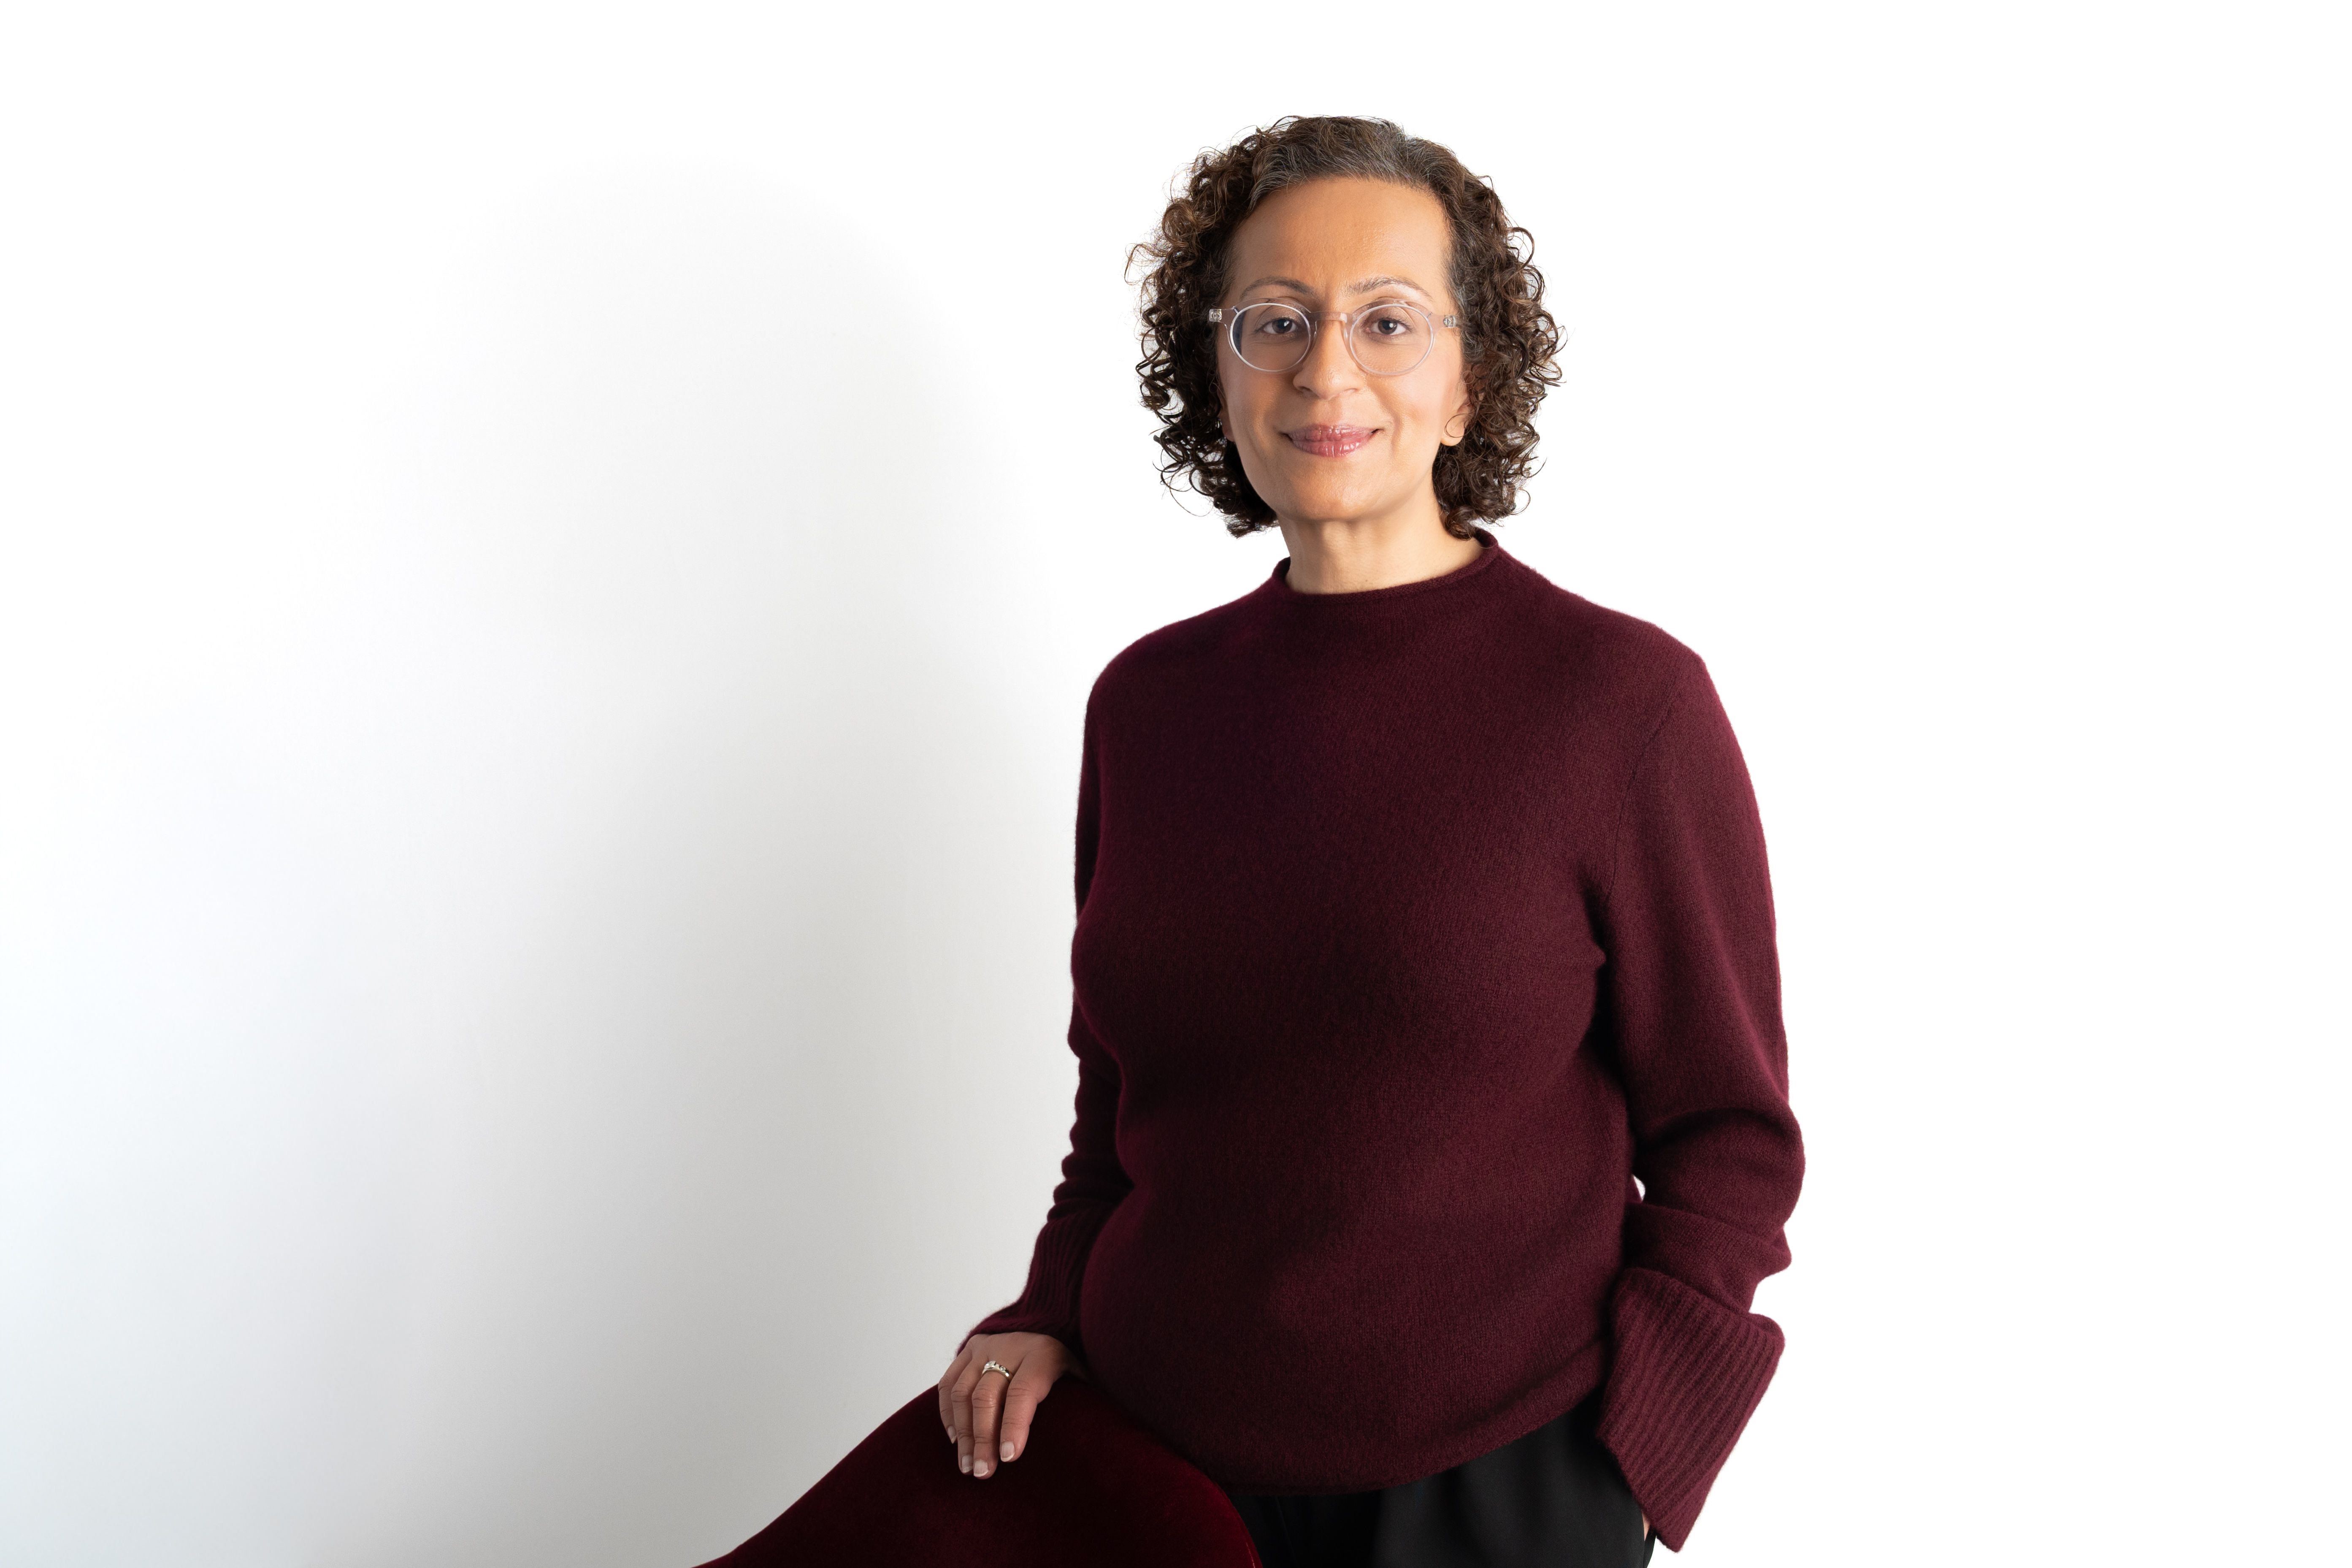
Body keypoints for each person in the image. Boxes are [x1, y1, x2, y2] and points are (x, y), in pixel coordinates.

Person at [936, 116, 1803, 1568]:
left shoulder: (1621, 706)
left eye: (1386, 321)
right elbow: (1121, 1094)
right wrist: (1046, 1312)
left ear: (1472, 380)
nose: (1325, 370)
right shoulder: (1146, 706)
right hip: (1158, 1477)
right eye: (1274, 322)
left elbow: (1730, 1135)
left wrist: (1631, 1460)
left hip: (1494, 1489)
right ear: (1217, 373)